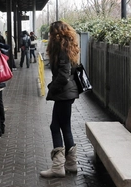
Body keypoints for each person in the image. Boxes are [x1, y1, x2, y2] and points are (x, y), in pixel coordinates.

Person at [40, 21, 80, 178]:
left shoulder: (62, 49)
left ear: (55, 34)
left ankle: (58, 167)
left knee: (55, 127)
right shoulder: (69, 47)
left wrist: (52, 88)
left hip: (64, 94)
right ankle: (71, 164)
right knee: (65, 126)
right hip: (67, 94)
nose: (49, 36)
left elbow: (63, 75)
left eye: (50, 33)